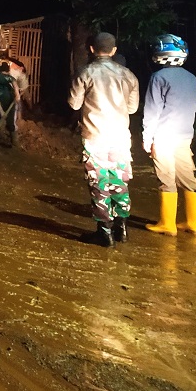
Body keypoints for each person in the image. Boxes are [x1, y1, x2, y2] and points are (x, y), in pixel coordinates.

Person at [67, 32, 140, 248]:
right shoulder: (129, 75)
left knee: (99, 183)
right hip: (120, 137)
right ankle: (122, 227)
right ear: (114, 50)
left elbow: (74, 104)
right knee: (119, 181)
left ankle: (104, 232)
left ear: (91, 49)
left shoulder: (85, 72)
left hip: (95, 136)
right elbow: (133, 108)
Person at [142, 33, 196, 236]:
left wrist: (146, 138)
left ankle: (168, 224)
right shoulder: (192, 78)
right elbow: (194, 106)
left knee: (166, 177)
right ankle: (193, 223)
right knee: (188, 178)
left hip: (164, 137)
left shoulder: (158, 77)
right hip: (185, 136)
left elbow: (152, 110)